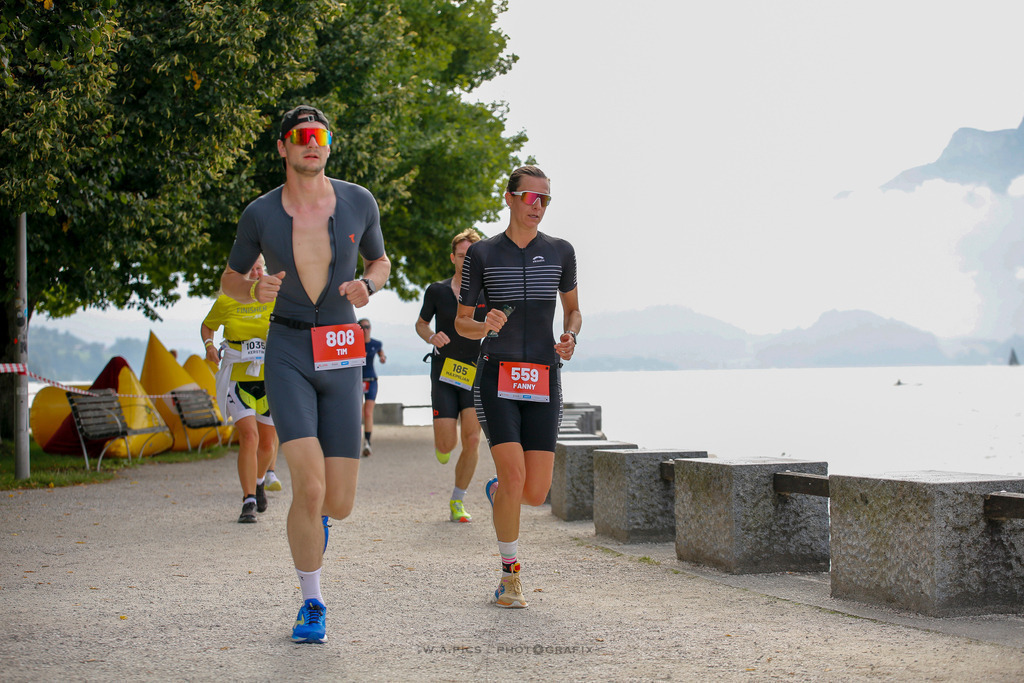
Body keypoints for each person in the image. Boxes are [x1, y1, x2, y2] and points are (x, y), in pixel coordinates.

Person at [221, 104, 390, 644]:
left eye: (320, 136)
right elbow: (229, 279)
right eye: (301, 136)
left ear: (329, 145)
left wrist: (371, 284)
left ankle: (313, 523)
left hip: (342, 349)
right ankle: (311, 602)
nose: (312, 144)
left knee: (337, 503)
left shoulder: (359, 200)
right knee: (309, 486)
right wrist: (252, 289)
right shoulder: (260, 213)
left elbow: (380, 261)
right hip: (289, 348)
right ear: (284, 147)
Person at [455, 165, 581, 608]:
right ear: (509, 198)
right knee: (513, 475)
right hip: (496, 375)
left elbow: (573, 311)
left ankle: (496, 493)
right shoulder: (483, 254)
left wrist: (570, 336)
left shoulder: (562, 251)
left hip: (544, 376)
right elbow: (461, 323)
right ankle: (509, 577)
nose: (539, 206)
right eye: (531, 197)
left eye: (546, 199)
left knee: (534, 491)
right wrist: (481, 323)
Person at [201, 255, 280, 523]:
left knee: (268, 443)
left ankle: (259, 482)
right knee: (249, 437)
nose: (258, 273)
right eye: (252, 268)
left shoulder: (275, 298)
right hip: (238, 378)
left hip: (270, 379)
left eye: (261, 268)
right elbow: (207, 326)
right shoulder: (226, 301)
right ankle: (248, 500)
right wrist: (209, 346)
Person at [415, 228, 486, 523]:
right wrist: (431, 337)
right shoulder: (437, 290)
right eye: (461, 255)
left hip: (475, 372)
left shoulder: (487, 292)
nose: (466, 259)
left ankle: (458, 500)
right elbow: (420, 324)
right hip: (444, 371)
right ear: (453, 258)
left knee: (471, 439)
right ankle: (441, 443)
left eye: (471, 255)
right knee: (447, 445)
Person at [358, 318, 386, 457]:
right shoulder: (354, 344)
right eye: (362, 327)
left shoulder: (376, 343)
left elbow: (382, 354)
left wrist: (382, 358)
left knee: (368, 412)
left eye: (367, 327)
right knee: (357, 413)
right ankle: (354, 441)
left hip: (371, 380)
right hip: (357, 381)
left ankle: (367, 442)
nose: (365, 330)